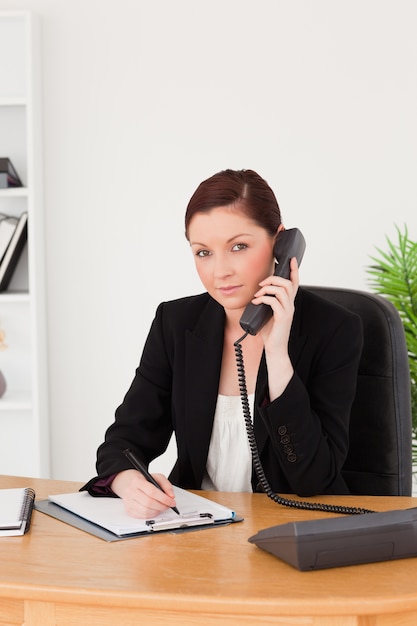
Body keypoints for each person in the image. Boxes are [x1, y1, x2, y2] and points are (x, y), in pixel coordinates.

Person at [82, 169, 363, 519]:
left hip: (293, 532)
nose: (220, 272)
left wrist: (277, 355)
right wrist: (127, 482)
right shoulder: (176, 323)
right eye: (203, 253)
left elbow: (314, 479)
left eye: (239, 246)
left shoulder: (334, 330)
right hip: (196, 533)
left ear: (280, 242)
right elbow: (122, 442)